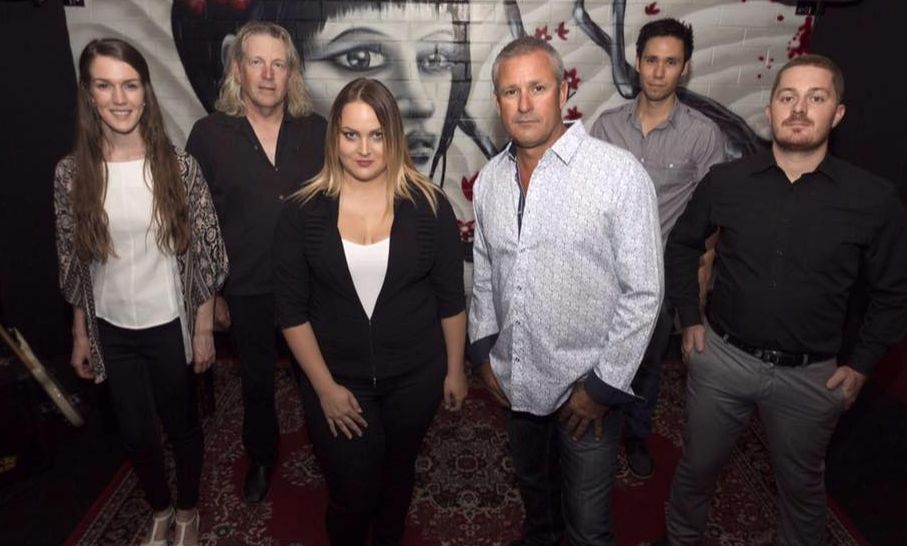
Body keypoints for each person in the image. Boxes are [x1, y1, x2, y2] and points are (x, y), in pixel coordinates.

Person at [663, 54, 907, 545]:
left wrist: (861, 365)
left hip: (811, 378)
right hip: (723, 360)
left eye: (816, 98)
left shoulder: (873, 200)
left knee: (802, 488)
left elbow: (894, 293)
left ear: (837, 113)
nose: (799, 109)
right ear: (771, 110)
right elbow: (682, 244)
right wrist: (689, 317)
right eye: (787, 97)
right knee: (697, 466)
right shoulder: (727, 182)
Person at [468, 37, 663, 545]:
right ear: (497, 101)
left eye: (537, 88)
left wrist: (601, 388)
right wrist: (483, 350)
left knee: (588, 524)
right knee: (537, 501)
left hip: (587, 391)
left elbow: (644, 293)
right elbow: (486, 270)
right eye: (510, 91)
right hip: (516, 378)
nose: (524, 104)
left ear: (562, 91)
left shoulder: (618, 175)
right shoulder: (490, 181)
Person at [273, 78, 467, 546]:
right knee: (352, 492)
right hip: (337, 380)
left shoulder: (429, 206)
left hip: (415, 379)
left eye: (376, 135)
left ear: (393, 137)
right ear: (334, 138)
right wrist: (325, 389)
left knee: (398, 477)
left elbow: (450, 299)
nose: (364, 149)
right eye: (351, 134)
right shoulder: (301, 212)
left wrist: (455, 370)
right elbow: (291, 312)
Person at [53, 39, 227, 546]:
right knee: (134, 433)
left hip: (169, 323)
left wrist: (202, 328)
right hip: (111, 327)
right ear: (88, 94)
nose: (119, 98)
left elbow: (206, 251)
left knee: (182, 425)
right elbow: (73, 259)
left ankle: (188, 511)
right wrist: (80, 333)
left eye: (130, 85)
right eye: (105, 85)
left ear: (146, 92)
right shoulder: (70, 174)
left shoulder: (179, 167)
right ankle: (160, 509)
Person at [185, 21, 327, 503]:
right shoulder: (208, 136)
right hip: (246, 287)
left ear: (291, 74)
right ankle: (263, 457)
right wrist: (211, 297)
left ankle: (330, 451)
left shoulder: (318, 130)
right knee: (256, 383)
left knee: (318, 377)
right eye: (257, 62)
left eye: (278, 64)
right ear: (237, 70)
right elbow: (198, 225)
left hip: (312, 286)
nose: (268, 74)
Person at [590, 17, 727, 479]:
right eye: (651, 60)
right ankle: (594, 424)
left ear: (684, 69)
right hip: (604, 271)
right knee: (597, 355)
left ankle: (636, 434)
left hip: (660, 277)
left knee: (646, 366)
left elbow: (710, 219)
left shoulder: (702, 135)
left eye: (670, 62)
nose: (659, 71)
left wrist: (700, 283)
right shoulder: (606, 127)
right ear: (637, 62)